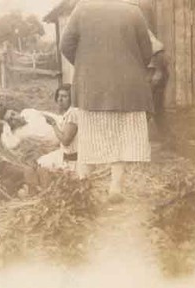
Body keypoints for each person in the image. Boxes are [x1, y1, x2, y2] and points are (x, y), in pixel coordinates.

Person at [61, 0, 153, 201]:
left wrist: (86, 65)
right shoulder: (133, 11)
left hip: (91, 86)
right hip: (127, 86)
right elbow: (147, 51)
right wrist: (130, 65)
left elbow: (66, 45)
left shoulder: (82, 9)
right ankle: (115, 188)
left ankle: (82, 185)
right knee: (121, 136)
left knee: (88, 137)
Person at [37, 84, 79, 172]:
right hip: (65, 155)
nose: (60, 99)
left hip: (73, 161)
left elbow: (65, 141)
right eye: (59, 96)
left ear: (72, 98)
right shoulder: (68, 113)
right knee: (39, 161)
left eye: (64, 96)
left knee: (41, 167)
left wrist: (53, 123)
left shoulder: (72, 113)